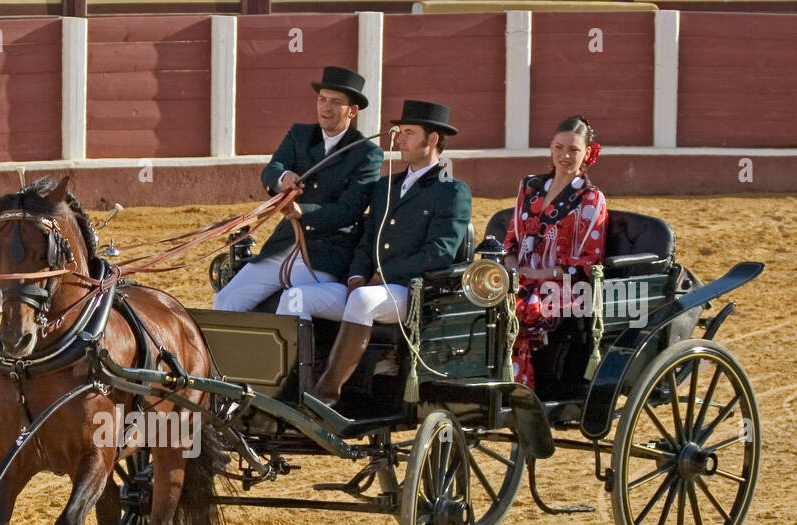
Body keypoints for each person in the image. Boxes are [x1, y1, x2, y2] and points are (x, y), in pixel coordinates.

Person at [300, 100, 472, 407]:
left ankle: (324, 398)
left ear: (432, 140)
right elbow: (367, 241)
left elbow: (440, 252)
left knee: (363, 301)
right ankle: (291, 393)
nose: (400, 139)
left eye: (409, 132)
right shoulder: (385, 186)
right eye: (399, 131)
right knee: (297, 297)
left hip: (416, 293)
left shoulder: (451, 190)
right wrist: (355, 276)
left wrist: (384, 275)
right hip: (368, 288)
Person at [212, 66, 383, 312]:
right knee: (225, 300)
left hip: (326, 253)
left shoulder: (367, 154)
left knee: (291, 305)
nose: (326, 108)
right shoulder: (300, 134)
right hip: (283, 243)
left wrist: (303, 211)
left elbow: (350, 211)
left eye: (336, 102)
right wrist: (284, 178)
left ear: (352, 111)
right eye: (322, 99)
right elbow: (273, 168)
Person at [502, 114, 607, 390]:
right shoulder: (529, 187)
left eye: (574, 149)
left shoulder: (591, 199)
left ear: (587, 153)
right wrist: (514, 268)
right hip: (520, 278)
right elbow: (511, 240)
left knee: (515, 308)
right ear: (551, 147)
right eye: (559, 147)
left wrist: (537, 273)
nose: (565, 155)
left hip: (563, 286)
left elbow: (588, 261)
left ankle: (519, 389)